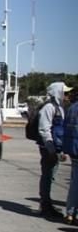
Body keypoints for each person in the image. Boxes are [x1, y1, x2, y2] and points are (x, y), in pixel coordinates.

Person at [36, 81, 70, 218]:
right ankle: (45, 204)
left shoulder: (59, 107)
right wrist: (50, 148)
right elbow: (44, 129)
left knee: (52, 175)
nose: (67, 95)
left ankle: (47, 202)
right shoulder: (49, 108)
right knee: (47, 175)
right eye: (65, 92)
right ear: (57, 92)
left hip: (56, 147)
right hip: (48, 147)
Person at [62, 87, 78, 224]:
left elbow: (65, 127)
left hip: (73, 149)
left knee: (74, 182)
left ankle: (70, 213)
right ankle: (73, 213)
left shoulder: (72, 108)